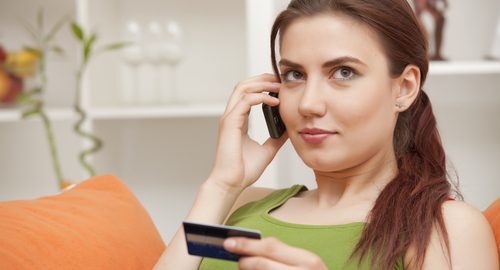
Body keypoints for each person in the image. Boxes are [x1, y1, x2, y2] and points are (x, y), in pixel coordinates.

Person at [154, 0, 498, 269]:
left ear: (404, 88)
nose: (309, 103)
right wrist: (222, 185)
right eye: (294, 75)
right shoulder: (240, 205)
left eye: (343, 72)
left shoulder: (444, 228)